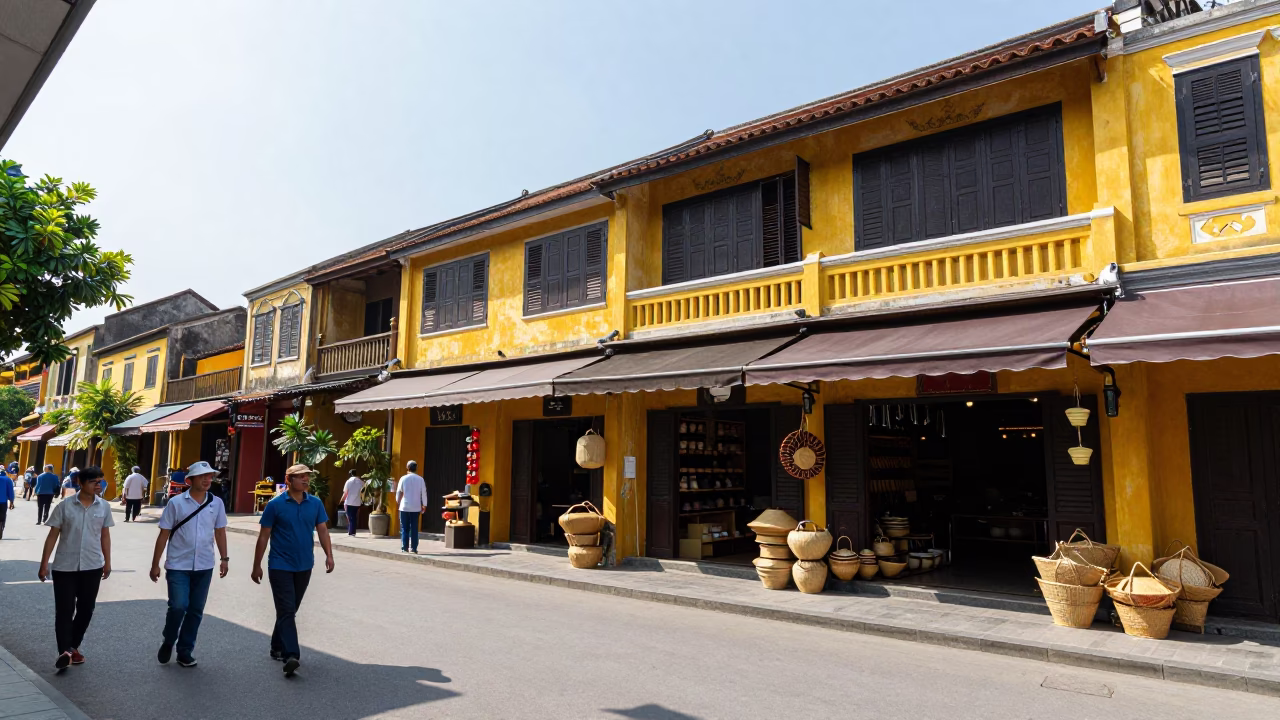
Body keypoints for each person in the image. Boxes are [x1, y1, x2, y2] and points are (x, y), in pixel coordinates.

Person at [251, 463, 334, 678]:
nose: (306, 480)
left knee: (290, 609)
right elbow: (263, 536)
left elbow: (323, 530)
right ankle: (291, 655)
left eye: (307, 476)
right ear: (288, 480)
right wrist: (256, 565)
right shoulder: (275, 505)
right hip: (280, 565)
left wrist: (329, 555)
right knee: (287, 609)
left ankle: (276, 645)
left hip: (304, 564)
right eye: (301, 477)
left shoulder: (315, 503)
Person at [150, 461, 228, 668]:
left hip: (204, 565)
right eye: (202, 476)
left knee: (195, 610)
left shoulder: (216, 503)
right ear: (190, 480)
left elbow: (220, 531)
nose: (207, 480)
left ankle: (185, 650)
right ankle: (169, 639)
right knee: (178, 606)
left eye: (210, 476)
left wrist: (224, 558)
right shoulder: (176, 503)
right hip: (178, 565)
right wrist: (155, 563)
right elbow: (164, 533)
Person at [38, 466, 113, 670]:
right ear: (81, 482)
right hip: (64, 567)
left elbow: (105, 535)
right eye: (94, 482)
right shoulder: (65, 506)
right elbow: (53, 535)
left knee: (86, 609)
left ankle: (72, 647)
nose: (98, 485)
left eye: (100, 481)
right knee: (64, 610)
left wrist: (108, 561)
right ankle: (64, 651)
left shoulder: (104, 507)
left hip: (92, 566)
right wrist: (44, 564)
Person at [395, 460, 426, 554]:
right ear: (416, 468)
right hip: (416, 507)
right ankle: (414, 548)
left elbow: (398, 492)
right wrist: (424, 505)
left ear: (407, 468)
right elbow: (424, 493)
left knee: (404, 528)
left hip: (404, 506)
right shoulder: (420, 479)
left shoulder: (403, 478)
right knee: (414, 528)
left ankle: (404, 547)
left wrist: (398, 501)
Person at [339, 469, 364, 537]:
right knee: (354, 517)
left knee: (350, 517)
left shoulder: (348, 481)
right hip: (357, 502)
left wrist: (341, 501)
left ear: (350, 474)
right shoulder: (361, 482)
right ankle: (353, 531)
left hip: (349, 502)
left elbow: (345, 493)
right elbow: (363, 492)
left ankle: (351, 532)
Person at [0, 469, 13, 540]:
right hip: (3, 502)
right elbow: (10, 491)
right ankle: (2, 527)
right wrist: (11, 501)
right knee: (3, 515)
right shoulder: (8, 480)